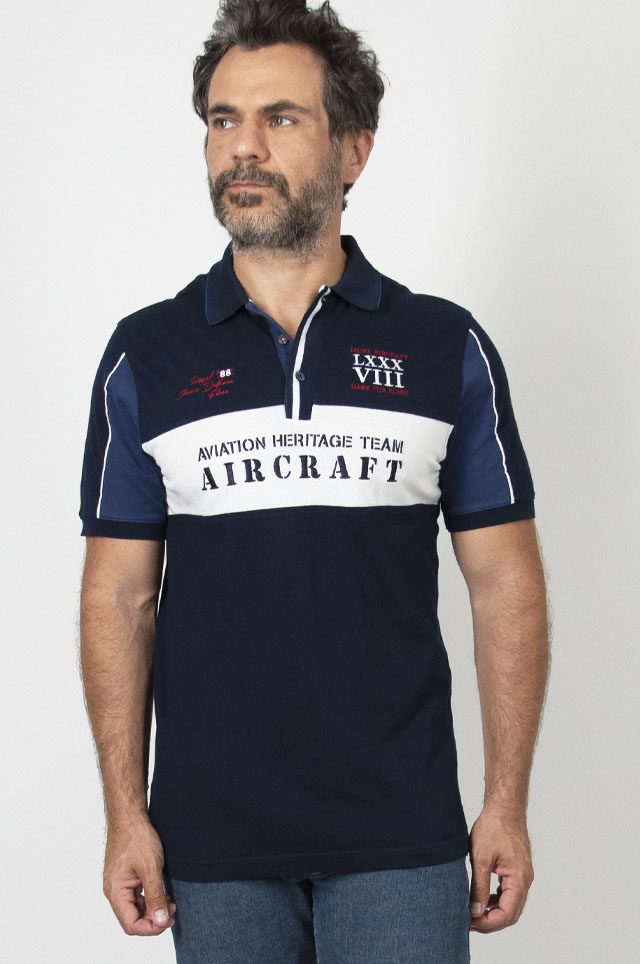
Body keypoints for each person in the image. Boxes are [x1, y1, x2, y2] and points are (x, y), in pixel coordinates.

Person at [78, 1, 550, 961]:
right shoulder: (146, 354)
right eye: (223, 120)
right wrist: (125, 813)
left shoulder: (443, 345)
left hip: (402, 840)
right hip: (212, 846)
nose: (243, 148)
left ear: (354, 150)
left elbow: (505, 583)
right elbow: (118, 596)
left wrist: (506, 803)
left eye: (280, 118)